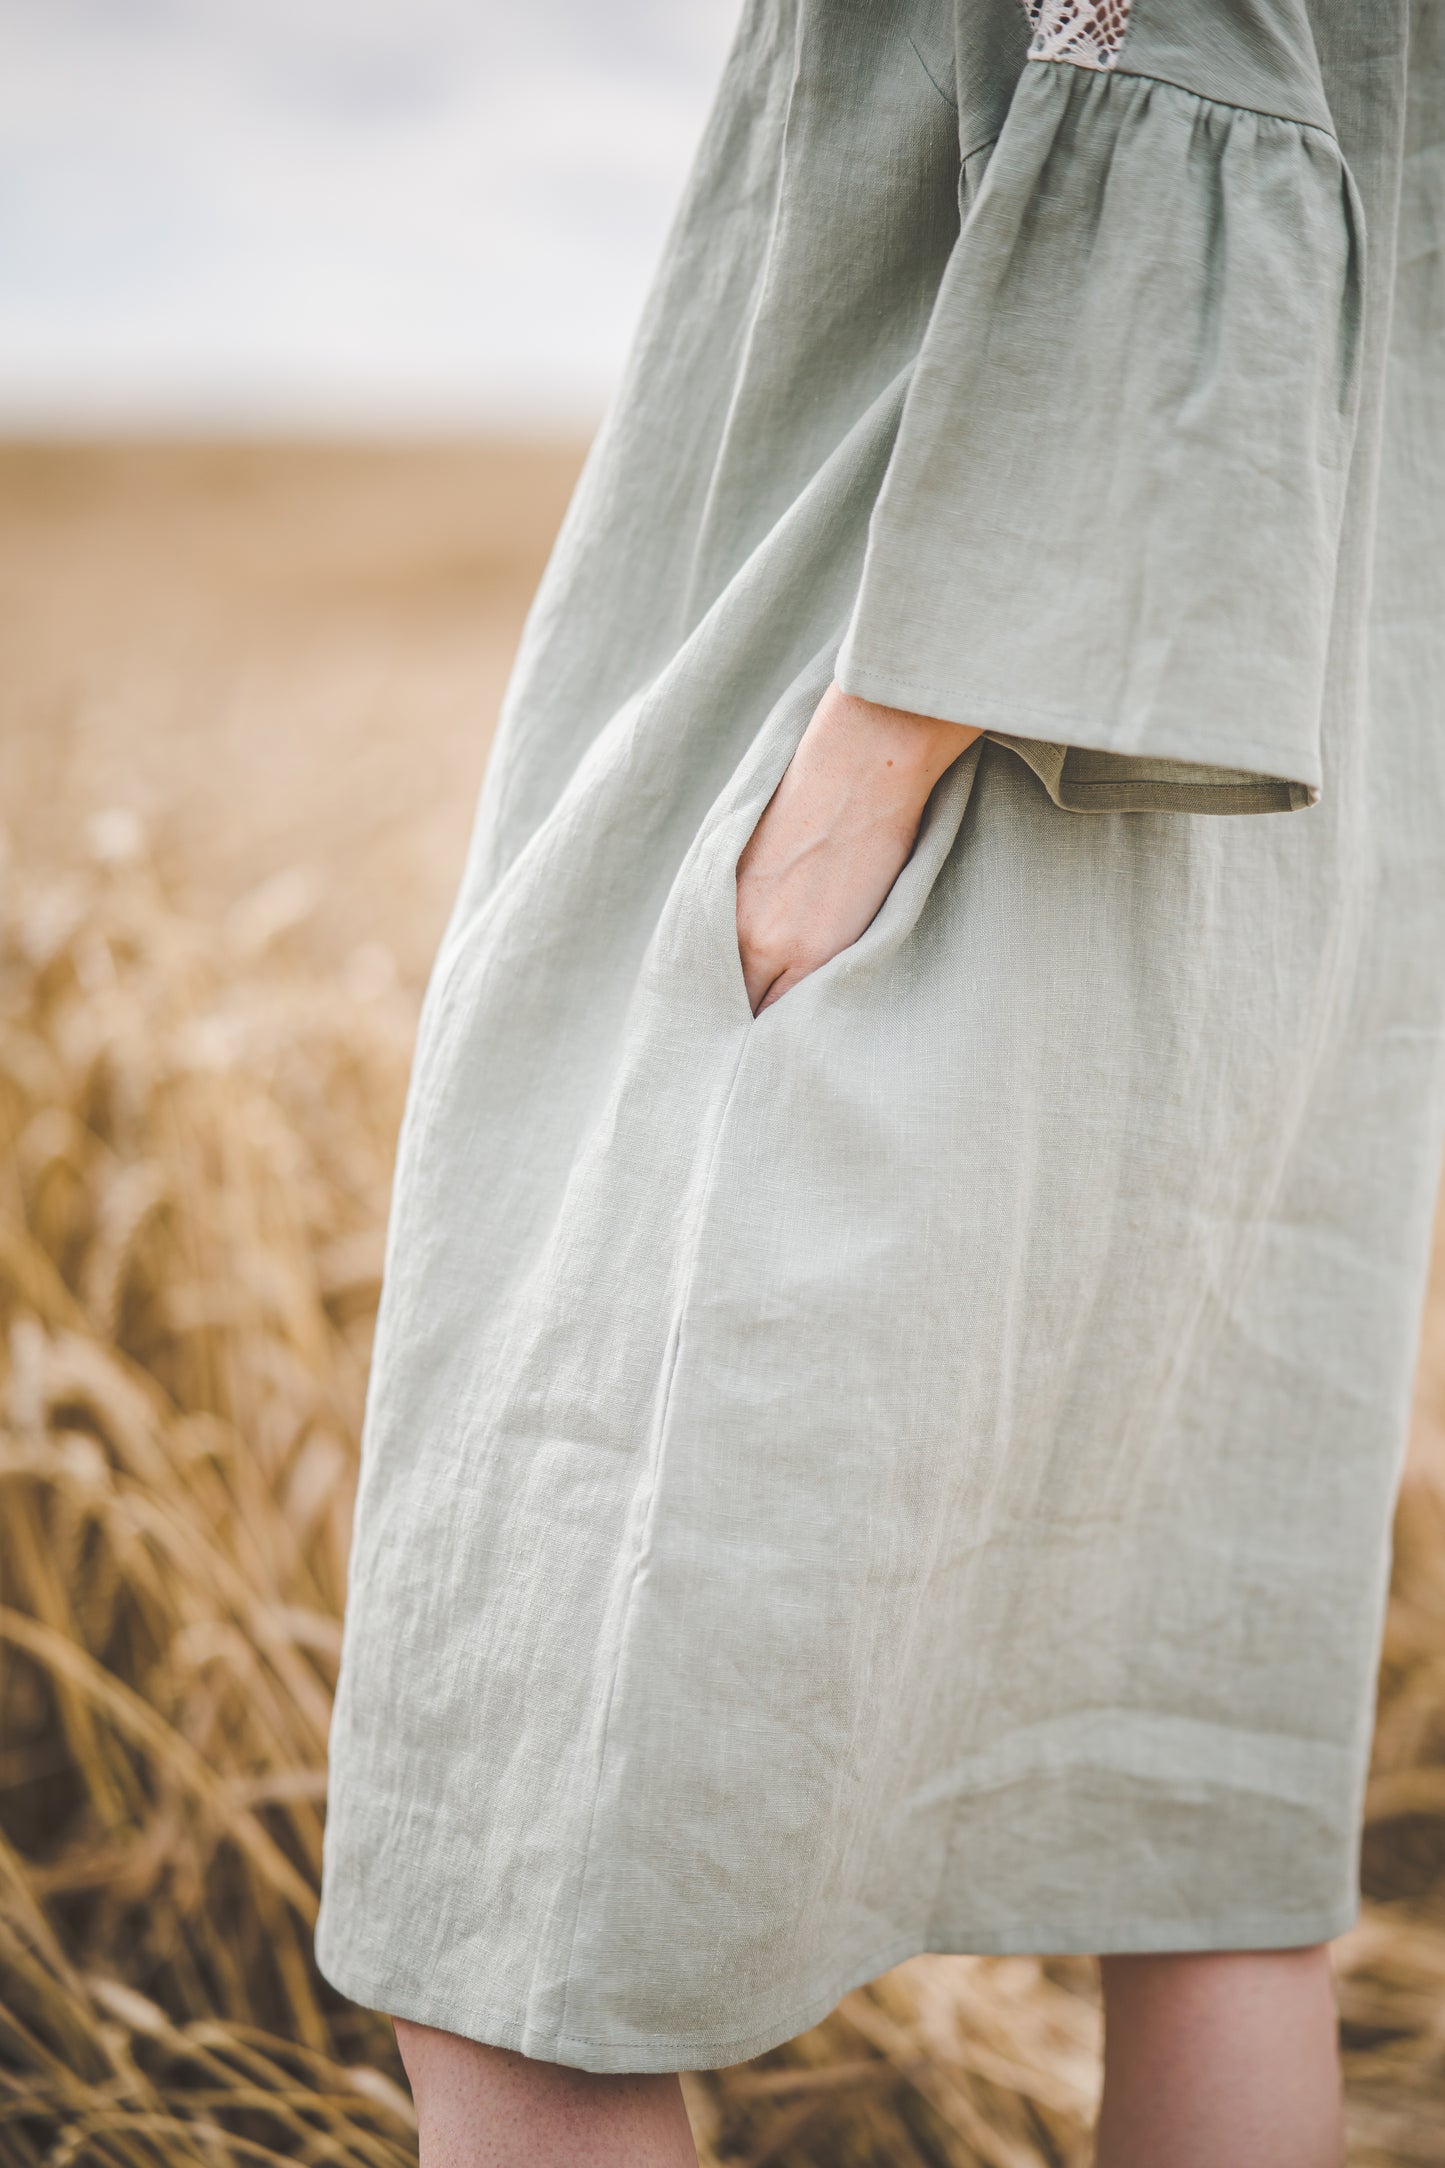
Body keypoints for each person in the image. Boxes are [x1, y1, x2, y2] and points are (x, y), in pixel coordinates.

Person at [314, 0, 1445, 2161]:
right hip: (1286, 853)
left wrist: (843, 798)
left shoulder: (846, 828)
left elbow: (1163, 71)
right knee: (1196, 1836)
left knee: (520, 1917)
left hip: (921, 779)